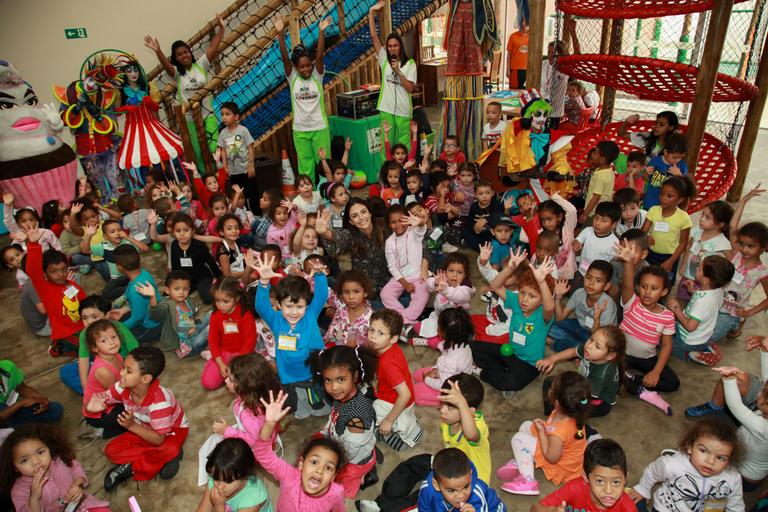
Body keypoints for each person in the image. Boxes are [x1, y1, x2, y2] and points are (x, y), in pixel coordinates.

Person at [355, 374, 492, 512]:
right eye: (443, 403)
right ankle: (382, 502)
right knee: (414, 464)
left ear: (470, 412)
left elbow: (471, 434)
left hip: (464, 481)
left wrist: (461, 404)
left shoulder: (477, 425)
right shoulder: (448, 421)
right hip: (448, 463)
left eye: (451, 407)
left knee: (427, 494)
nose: (442, 409)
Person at [86, 346, 188, 492]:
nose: (121, 373)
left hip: (172, 431)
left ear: (145, 378)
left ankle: (133, 468)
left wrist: (131, 426)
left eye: (128, 371)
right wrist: (96, 402)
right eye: (123, 368)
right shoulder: (123, 386)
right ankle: (166, 456)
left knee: (167, 446)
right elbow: (107, 397)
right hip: (144, 429)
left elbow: (159, 439)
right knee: (111, 450)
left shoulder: (159, 403)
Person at [253, 253, 330, 419]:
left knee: (318, 400)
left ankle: (315, 401)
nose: (294, 312)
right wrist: (264, 282)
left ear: (306, 305)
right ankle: (302, 401)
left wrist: (318, 275)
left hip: (313, 370)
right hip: (289, 373)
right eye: (288, 306)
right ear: (279, 305)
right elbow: (260, 306)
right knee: (296, 401)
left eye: (299, 307)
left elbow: (322, 295)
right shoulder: (276, 319)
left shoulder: (310, 314)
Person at [144, 18, 226, 169]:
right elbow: (166, 65)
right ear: (176, 58)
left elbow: (213, 46)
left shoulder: (201, 64)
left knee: (214, 147)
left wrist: (221, 28)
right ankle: (203, 177)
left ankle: (219, 173)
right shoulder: (177, 74)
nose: (184, 56)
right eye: (179, 55)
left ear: (190, 52)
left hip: (208, 114)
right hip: (190, 119)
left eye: (185, 52)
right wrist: (157, 50)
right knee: (197, 153)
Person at [471, 251, 556, 395]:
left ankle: (482, 372)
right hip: (510, 351)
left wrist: (541, 282)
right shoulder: (516, 302)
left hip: (529, 364)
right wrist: (509, 269)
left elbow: (550, 307)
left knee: (510, 383)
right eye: (523, 293)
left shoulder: (543, 314)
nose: (524, 299)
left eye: (532, 296)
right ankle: (499, 369)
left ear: (542, 299)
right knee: (470, 347)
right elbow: (496, 286)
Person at [498, 371, 590, 495]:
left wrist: (542, 433)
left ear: (557, 402)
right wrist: (543, 430)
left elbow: (551, 458)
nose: (550, 387)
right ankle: (523, 461)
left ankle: (528, 481)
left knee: (518, 439)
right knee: (526, 426)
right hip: (556, 448)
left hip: (560, 466)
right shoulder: (569, 413)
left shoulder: (561, 431)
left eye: (552, 387)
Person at [614, 240, 678, 415]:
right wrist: (628, 262)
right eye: (643, 287)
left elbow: (666, 346)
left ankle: (630, 379)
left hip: (646, 359)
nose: (647, 292)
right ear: (637, 288)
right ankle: (642, 391)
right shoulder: (631, 302)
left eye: (654, 288)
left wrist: (656, 372)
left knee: (673, 383)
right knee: (604, 371)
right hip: (623, 354)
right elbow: (626, 285)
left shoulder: (667, 316)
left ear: (664, 291)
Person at [254, 390, 347, 511]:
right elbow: (262, 454)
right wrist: (270, 424)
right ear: (301, 463)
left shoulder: (336, 492)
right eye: (314, 462)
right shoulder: (289, 476)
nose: (319, 471)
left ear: (334, 477)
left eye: (328, 467)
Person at [628, 416, 744, 512]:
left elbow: (735, 504)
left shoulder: (733, 478)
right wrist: (643, 488)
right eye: (703, 451)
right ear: (689, 446)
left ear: (729, 459)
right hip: (667, 508)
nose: (711, 461)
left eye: (720, 457)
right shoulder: (672, 465)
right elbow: (653, 472)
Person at [310, 345, 379, 498]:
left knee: (334, 486)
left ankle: (364, 478)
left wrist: (333, 463)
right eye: (328, 380)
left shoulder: (357, 417)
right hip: (342, 439)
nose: (334, 387)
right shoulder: (343, 395)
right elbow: (334, 414)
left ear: (355, 376)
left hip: (354, 459)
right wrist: (325, 431)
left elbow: (350, 452)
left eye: (341, 379)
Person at [275, 14, 332, 182]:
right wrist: (279, 33)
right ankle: (310, 193)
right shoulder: (293, 78)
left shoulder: (317, 76)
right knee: (305, 165)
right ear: (296, 68)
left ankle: (325, 192)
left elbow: (320, 56)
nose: (306, 69)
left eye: (308, 65)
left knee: (323, 163)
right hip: (300, 130)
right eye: (302, 66)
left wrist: (321, 32)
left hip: (319, 128)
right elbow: (285, 58)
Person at [0, 424, 110, 512]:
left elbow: (75, 467)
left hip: (85, 504)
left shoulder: (58, 460)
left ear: (48, 447)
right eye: (24, 460)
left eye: (40, 452)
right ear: (14, 467)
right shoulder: (18, 491)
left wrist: (77, 484)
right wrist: (34, 498)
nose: (36, 461)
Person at [712, 185, 768, 342]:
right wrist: (743, 200)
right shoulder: (737, 253)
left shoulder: (761, 272)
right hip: (717, 299)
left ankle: (738, 323)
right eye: (742, 243)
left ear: (763, 248)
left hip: (735, 310)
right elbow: (733, 227)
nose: (744, 249)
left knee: (717, 334)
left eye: (751, 246)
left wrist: (749, 313)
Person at [538, 326, 625, 418]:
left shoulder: (601, 375)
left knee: (570, 403)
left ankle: (560, 417)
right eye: (591, 339)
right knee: (549, 382)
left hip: (599, 402)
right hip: (584, 384)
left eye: (597, 346)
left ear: (610, 356)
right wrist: (552, 359)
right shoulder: (589, 350)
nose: (589, 345)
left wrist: (566, 395)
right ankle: (551, 414)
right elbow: (572, 352)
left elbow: (586, 398)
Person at [23, 228, 85, 356]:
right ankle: (58, 344)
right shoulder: (44, 288)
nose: (61, 274)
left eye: (63, 269)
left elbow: (85, 303)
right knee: (87, 349)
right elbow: (33, 270)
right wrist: (33, 244)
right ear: (45, 273)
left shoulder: (72, 285)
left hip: (83, 324)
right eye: (54, 271)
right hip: (65, 332)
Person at [367, 309, 424, 451]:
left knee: (373, 410)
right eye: (371, 330)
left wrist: (388, 420)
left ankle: (399, 429)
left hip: (398, 401)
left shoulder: (388, 364)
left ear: (393, 338)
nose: (373, 336)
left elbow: (405, 395)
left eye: (380, 333)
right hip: (394, 394)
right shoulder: (388, 348)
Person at [532, 439, 636, 512]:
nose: (608, 490)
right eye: (600, 481)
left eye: (616, 482)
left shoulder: (627, 508)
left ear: (625, 480)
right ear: (586, 477)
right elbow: (534, 509)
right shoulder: (574, 488)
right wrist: (551, 510)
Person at [316, 198, 391, 297]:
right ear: (351, 222)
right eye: (355, 216)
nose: (361, 217)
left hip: (395, 285)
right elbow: (334, 236)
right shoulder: (350, 235)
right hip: (368, 293)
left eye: (363, 212)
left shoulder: (385, 226)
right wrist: (324, 232)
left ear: (370, 213)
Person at [668, 255, 735, 366]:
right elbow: (706, 304)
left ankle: (691, 355)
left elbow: (690, 327)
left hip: (687, 339)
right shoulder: (718, 290)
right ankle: (705, 347)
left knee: (664, 343)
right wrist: (693, 292)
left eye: (699, 268)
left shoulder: (703, 302)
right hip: (704, 334)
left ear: (705, 280)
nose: (697, 268)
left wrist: (676, 309)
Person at [713, 364, 768, 492]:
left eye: (762, 392)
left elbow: (735, 406)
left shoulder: (763, 428)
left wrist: (729, 379)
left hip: (743, 477)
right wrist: (765, 350)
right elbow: (766, 380)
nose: (758, 391)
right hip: (755, 470)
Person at [369, 1, 417, 149]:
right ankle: (386, 171)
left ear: (400, 46)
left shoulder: (410, 64)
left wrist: (398, 71)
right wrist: (371, 13)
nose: (392, 49)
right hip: (386, 108)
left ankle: (404, 171)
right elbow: (373, 37)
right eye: (389, 46)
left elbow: (410, 88)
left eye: (395, 45)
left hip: (403, 111)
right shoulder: (383, 59)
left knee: (404, 146)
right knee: (386, 144)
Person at [137, 270, 211, 358]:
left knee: (211, 314)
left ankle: (205, 347)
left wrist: (193, 326)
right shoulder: (167, 306)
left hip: (194, 330)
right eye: (177, 289)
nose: (181, 292)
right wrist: (152, 297)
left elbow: (190, 318)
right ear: (167, 290)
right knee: (209, 329)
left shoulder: (188, 301)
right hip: (187, 347)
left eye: (185, 289)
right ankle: (203, 349)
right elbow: (156, 314)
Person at [548, 260, 617, 352]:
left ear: (606, 286)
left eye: (598, 280)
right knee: (549, 326)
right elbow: (560, 318)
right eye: (589, 277)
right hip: (579, 326)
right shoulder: (579, 293)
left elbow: (600, 339)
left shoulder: (608, 305)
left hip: (596, 336)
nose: (591, 283)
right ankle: (575, 349)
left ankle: (553, 342)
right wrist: (558, 298)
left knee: (584, 346)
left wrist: (596, 319)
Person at [201, 277, 256, 390]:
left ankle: (212, 358)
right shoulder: (215, 316)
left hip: (243, 356)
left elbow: (249, 343)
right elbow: (213, 340)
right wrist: (220, 363)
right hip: (223, 353)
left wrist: (235, 366)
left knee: (245, 385)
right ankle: (211, 357)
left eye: (225, 301)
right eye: (217, 300)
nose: (220, 305)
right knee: (208, 383)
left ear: (237, 298)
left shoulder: (245, 316)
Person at [413, 308, 476, 407]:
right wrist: (435, 370)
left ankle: (445, 402)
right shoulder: (459, 342)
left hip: (451, 387)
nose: (436, 327)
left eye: (438, 325)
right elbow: (441, 349)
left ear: (446, 333)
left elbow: (444, 384)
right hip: (448, 373)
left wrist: (427, 379)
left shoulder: (452, 360)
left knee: (415, 392)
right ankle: (430, 381)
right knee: (417, 375)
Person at [410, 253, 474, 347]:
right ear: (445, 271)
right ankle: (434, 338)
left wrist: (446, 290)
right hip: (437, 317)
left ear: (465, 275)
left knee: (453, 338)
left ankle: (431, 342)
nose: (454, 275)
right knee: (418, 327)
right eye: (451, 270)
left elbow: (462, 297)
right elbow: (428, 286)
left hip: (454, 323)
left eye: (459, 272)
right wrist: (435, 282)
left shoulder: (465, 287)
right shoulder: (443, 280)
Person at [381, 205, 429, 326]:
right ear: (388, 224)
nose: (398, 224)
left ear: (407, 219)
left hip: (418, 275)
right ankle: (405, 318)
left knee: (423, 293)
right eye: (393, 222)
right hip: (400, 277)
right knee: (385, 294)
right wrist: (405, 283)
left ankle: (404, 319)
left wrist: (420, 222)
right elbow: (392, 267)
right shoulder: (389, 242)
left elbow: (422, 228)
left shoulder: (413, 232)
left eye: (401, 220)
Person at [418, 448, 507, 511]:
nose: (461, 496)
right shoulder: (427, 490)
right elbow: (424, 509)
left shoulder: (476, 495)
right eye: (452, 490)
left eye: (466, 487)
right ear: (436, 485)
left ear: (470, 476)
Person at [196, 438, 273, 512]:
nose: (218, 486)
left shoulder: (253, 497)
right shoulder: (218, 477)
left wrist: (219, 507)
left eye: (227, 481)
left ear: (245, 475)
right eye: (215, 477)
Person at [677, 200, 733, 301]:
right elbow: (689, 247)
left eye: (707, 217)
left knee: (698, 302)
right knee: (681, 298)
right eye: (703, 214)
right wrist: (683, 264)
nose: (702, 219)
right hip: (688, 274)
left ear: (720, 224)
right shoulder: (698, 230)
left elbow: (731, 262)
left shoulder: (722, 242)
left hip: (705, 281)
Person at [642, 176, 693, 283]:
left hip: (670, 257)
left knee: (665, 283)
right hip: (650, 254)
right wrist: (646, 237)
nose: (663, 198)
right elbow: (642, 232)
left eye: (669, 196)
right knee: (647, 280)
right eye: (661, 194)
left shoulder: (684, 218)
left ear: (680, 200)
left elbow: (683, 243)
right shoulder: (653, 210)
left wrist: (671, 261)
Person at [82, 320, 127, 440]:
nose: (111, 342)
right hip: (100, 412)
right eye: (103, 340)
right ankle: (100, 431)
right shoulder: (103, 370)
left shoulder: (116, 355)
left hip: (109, 401)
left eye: (114, 337)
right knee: (132, 419)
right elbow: (118, 395)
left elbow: (123, 379)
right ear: (95, 348)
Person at [170, 213, 223, 304]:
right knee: (174, 297)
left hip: (201, 277)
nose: (182, 234)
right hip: (185, 278)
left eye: (186, 230)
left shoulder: (199, 245)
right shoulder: (174, 245)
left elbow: (211, 262)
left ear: (192, 230)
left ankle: (210, 285)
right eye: (178, 231)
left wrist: (221, 279)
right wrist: (174, 281)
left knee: (208, 299)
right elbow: (175, 265)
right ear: (173, 232)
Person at [0, 359, 63, 427]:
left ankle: (15, 426)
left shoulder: (8, 367)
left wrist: (40, 399)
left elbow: (21, 388)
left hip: (9, 409)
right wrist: (21, 404)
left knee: (56, 411)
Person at [217, 102, 256, 208]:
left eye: (227, 114)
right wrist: (225, 166)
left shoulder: (243, 130)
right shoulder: (223, 133)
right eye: (222, 114)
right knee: (236, 195)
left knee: (251, 194)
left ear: (236, 116)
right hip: (233, 172)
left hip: (245, 169)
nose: (224, 117)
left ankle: (255, 214)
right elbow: (223, 150)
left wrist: (251, 165)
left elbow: (250, 147)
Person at [324, 270, 374, 347]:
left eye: (356, 292)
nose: (351, 297)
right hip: (333, 351)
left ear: (365, 292)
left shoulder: (372, 319)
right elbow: (334, 335)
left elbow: (373, 349)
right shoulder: (341, 310)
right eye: (346, 292)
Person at [641, 133, 689, 210]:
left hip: (669, 206)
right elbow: (646, 179)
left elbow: (686, 188)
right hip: (650, 203)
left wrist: (679, 175)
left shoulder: (682, 166)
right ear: (666, 152)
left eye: (681, 157)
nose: (678, 160)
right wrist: (645, 173)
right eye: (674, 157)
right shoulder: (655, 161)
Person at [579, 141, 620, 224]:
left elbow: (596, 197)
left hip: (593, 213)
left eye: (595, 153)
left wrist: (585, 214)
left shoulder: (600, 176)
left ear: (602, 159)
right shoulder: (608, 170)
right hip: (602, 212)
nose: (592, 154)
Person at [506, 19, 529, 89]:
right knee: (514, 92)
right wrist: (507, 70)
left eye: (525, 21)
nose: (523, 24)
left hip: (528, 70)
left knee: (527, 93)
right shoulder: (513, 36)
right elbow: (509, 55)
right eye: (522, 21)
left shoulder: (533, 36)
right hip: (515, 69)